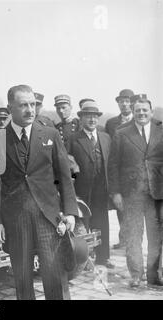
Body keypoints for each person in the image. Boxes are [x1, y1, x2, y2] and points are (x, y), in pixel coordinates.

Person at [0, 84, 78, 300]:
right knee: (22, 278)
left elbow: (64, 176)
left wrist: (70, 211)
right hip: (15, 219)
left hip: (48, 216)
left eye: (32, 104)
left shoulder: (51, 134)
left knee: (55, 274)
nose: (30, 110)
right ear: (10, 108)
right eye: (23, 105)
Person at [108, 94, 163, 288]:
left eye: (144, 110)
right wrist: (115, 192)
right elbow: (113, 165)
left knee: (156, 237)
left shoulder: (161, 129)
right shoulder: (122, 133)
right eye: (137, 110)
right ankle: (136, 275)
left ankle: (154, 275)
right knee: (133, 236)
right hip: (131, 194)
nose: (141, 113)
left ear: (151, 111)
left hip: (157, 194)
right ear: (133, 111)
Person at [67, 101, 114, 268]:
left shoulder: (106, 137)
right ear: (81, 119)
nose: (92, 120)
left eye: (95, 117)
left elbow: (112, 162)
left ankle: (103, 257)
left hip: (102, 189)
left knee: (102, 223)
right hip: (82, 189)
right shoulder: (73, 139)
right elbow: (67, 162)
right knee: (83, 225)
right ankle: (84, 259)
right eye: (88, 117)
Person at [105, 89, 134, 249]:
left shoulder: (140, 120)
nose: (124, 104)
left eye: (127, 100)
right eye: (121, 101)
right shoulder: (111, 123)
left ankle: (133, 241)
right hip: (119, 172)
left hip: (136, 171)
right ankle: (124, 240)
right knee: (121, 206)